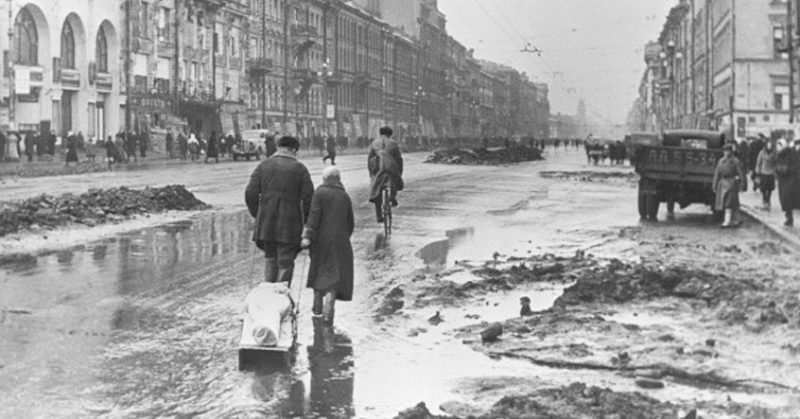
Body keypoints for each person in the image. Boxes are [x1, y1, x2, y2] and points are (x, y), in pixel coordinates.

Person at [245, 136, 314, 284]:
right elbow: (309, 198)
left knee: (270, 258)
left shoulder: (263, 165)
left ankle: (269, 298)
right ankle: (282, 297)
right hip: (290, 224)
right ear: (294, 149)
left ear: (278, 147)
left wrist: (259, 214)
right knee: (285, 262)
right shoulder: (300, 168)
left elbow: (250, 193)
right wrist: (306, 223)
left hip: (266, 223)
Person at [300, 166, 354, 326]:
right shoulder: (344, 196)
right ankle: (328, 312)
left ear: (324, 179)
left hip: (321, 241)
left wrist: (307, 236)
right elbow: (350, 222)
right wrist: (343, 237)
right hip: (341, 242)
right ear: (338, 179)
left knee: (319, 272)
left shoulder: (320, 193)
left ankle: (317, 310)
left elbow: (314, 216)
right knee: (333, 277)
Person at [368, 126, 404, 223]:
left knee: (376, 190)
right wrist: (399, 172)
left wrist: (371, 173)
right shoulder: (393, 143)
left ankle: (379, 216)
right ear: (390, 134)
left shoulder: (375, 143)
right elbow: (399, 159)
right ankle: (392, 197)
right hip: (390, 169)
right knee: (394, 182)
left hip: (378, 170)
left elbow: (370, 158)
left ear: (380, 133)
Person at [712, 143, 747, 228]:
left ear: (731, 152)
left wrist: (743, 185)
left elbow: (741, 173)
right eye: (725, 151)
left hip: (732, 183)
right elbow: (717, 173)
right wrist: (714, 185)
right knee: (727, 203)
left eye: (728, 151)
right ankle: (736, 219)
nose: (726, 153)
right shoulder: (720, 161)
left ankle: (727, 221)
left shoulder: (735, 161)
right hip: (722, 183)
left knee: (729, 202)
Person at [776, 139, 800, 227]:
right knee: (785, 200)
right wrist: (779, 170)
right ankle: (788, 217)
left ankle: (789, 218)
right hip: (783, 181)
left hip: (791, 180)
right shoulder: (780, 155)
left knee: (789, 199)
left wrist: (785, 170)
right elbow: (777, 166)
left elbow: (796, 167)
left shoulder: (792, 154)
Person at [755, 140, 777, 210]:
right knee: (763, 188)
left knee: (770, 188)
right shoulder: (761, 152)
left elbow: (776, 163)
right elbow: (758, 162)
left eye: (770, 144)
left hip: (771, 173)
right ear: (766, 145)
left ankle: (768, 200)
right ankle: (765, 200)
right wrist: (757, 171)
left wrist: (775, 171)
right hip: (763, 172)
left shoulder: (774, 153)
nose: (769, 146)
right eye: (768, 144)